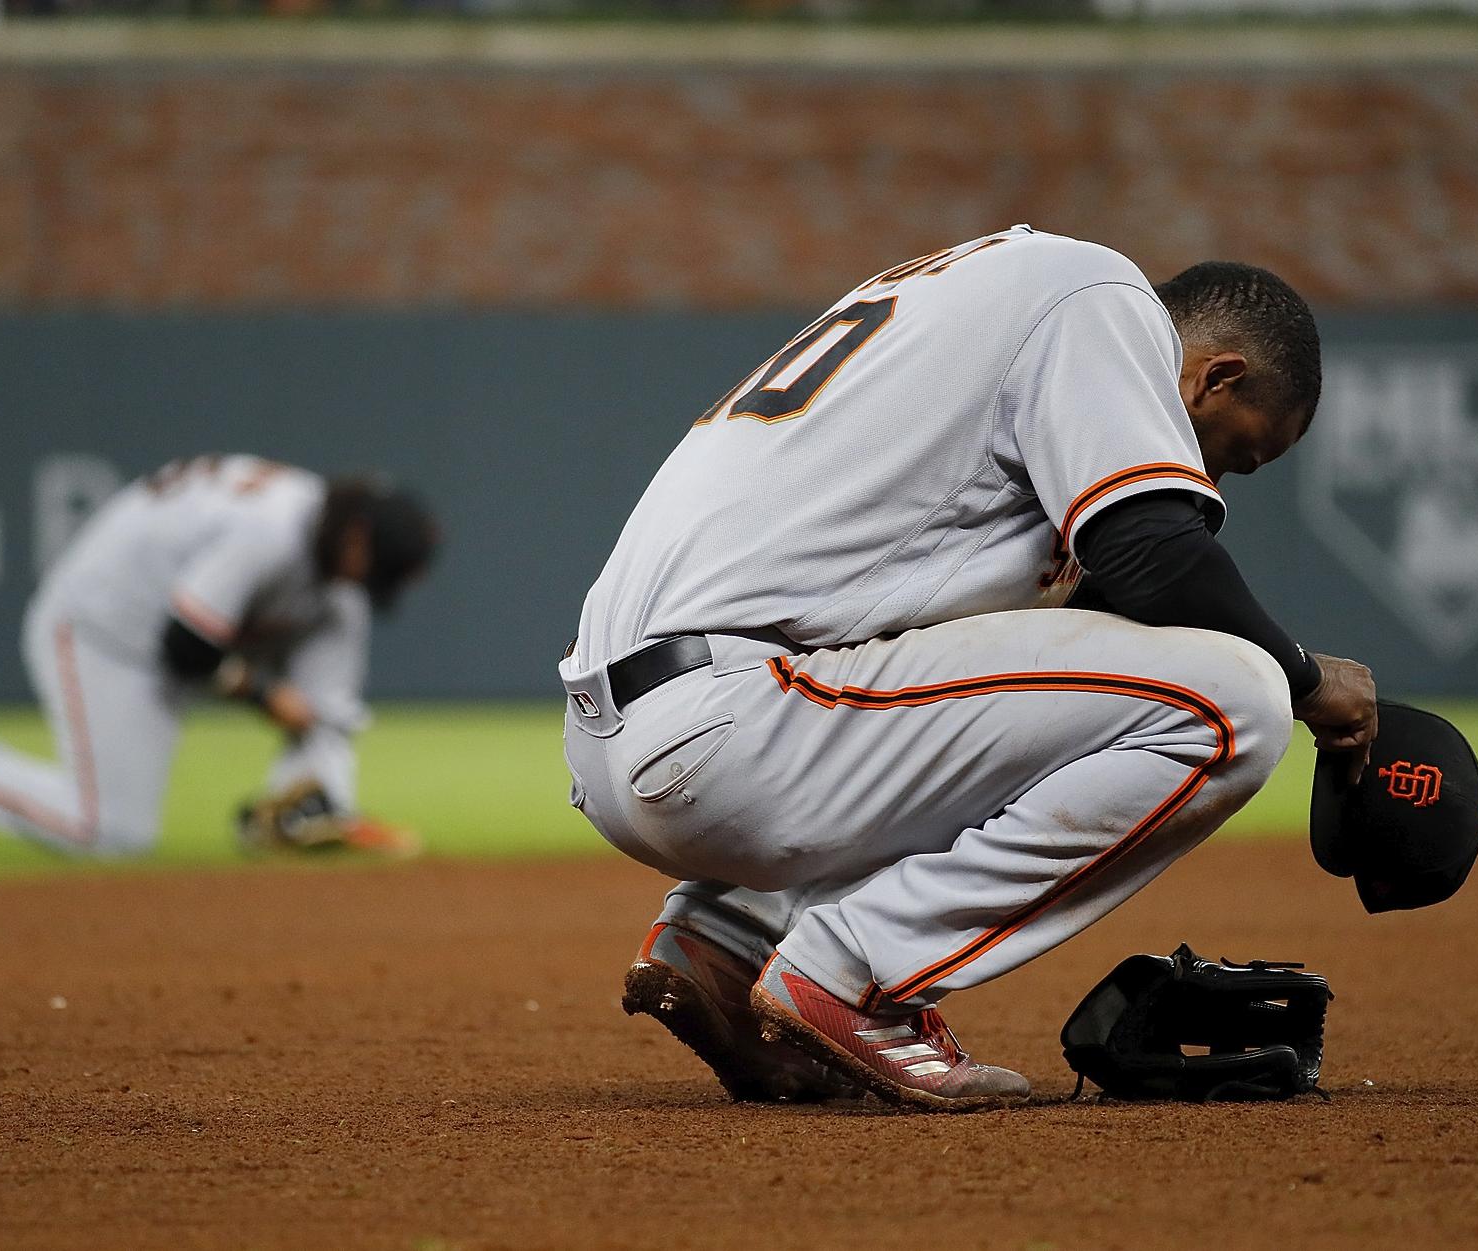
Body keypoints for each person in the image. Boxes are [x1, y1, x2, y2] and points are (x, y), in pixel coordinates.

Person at [560, 225, 1378, 1111]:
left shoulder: (992, 303)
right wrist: (1304, 678)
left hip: (646, 734)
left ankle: (729, 936)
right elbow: (1150, 550)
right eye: (1234, 450)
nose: (1213, 475)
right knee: (1235, 700)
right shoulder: (1101, 297)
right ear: (1216, 375)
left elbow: (1065, 656)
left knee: (1064, 700)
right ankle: (855, 976)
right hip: (732, 722)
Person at [0, 455, 437, 860]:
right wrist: (264, 695)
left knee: (342, 617)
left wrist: (309, 713)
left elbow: (315, 678)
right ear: (356, 536)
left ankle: (307, 806)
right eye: (373, 567)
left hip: (199, 626)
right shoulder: (269, 531)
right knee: (111, 831)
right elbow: (184, 646)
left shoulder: (328, 554)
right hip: (106, 631)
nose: (368, 582)